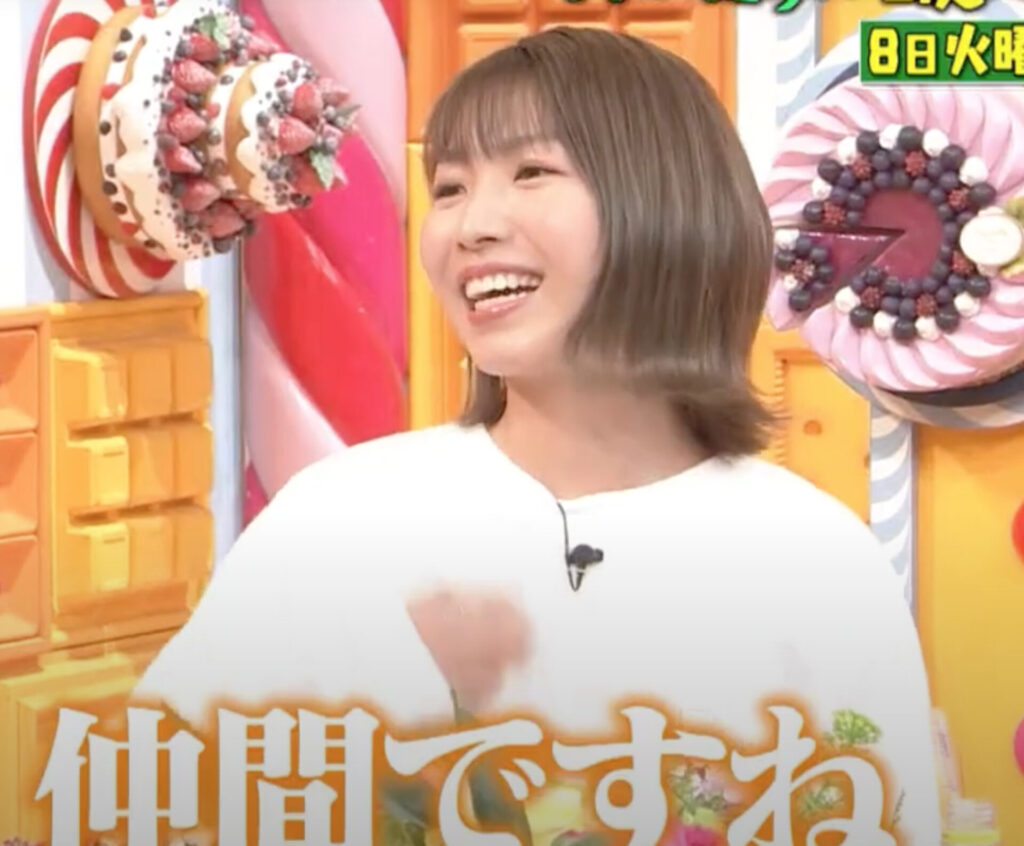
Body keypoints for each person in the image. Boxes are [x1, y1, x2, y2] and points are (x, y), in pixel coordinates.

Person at [134, 26, 941, 844]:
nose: (471, 226)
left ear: (665, 204)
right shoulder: (340, 521)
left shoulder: (812, 559)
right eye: (450, 188)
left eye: (531, 172)